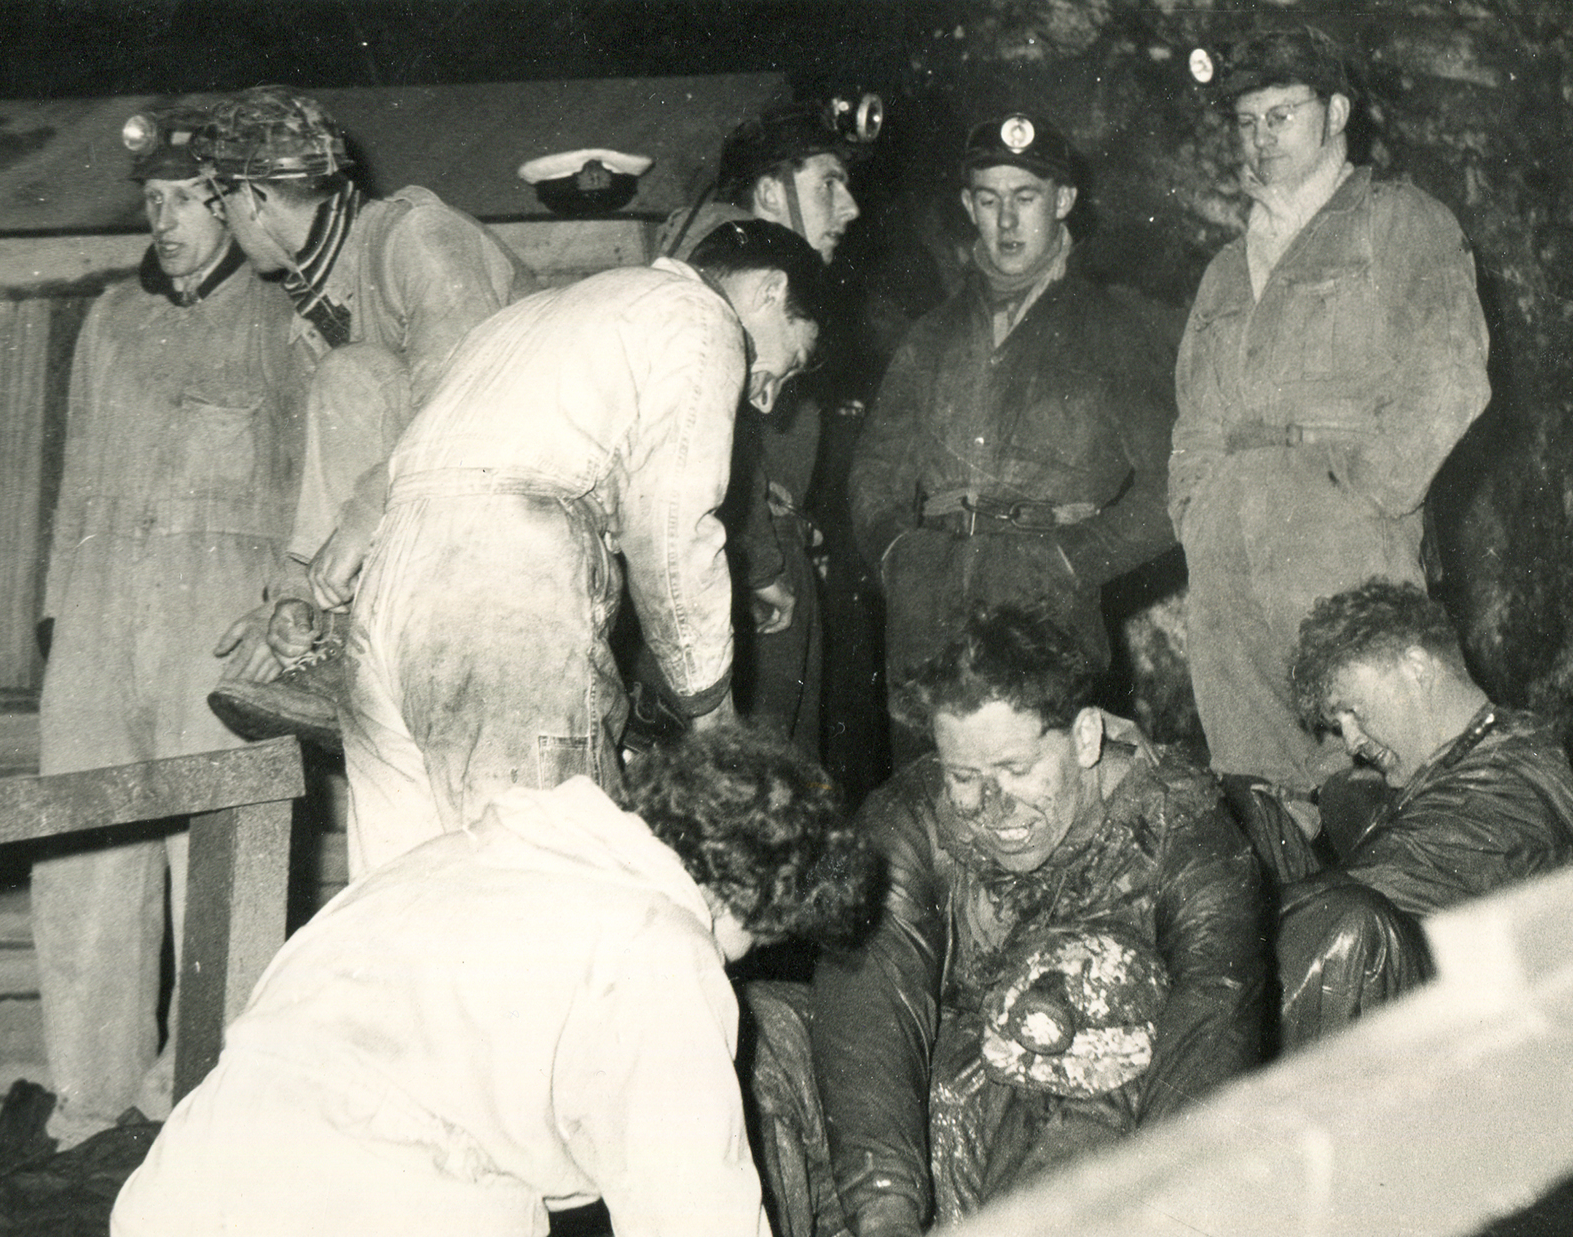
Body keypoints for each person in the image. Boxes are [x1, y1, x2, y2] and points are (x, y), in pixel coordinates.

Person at [111, 727, 876, 1237]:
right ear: (737, 899)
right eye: (752, 940)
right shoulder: (659, 941)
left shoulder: (448, 861)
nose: (738, 959)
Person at [339, 218, 828, 880]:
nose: (767, 396)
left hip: (385, 600)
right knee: (544, 896)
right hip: (503, 593)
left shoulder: (540, 316)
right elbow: (669, 522)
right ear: (772, 290)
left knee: (401, 899)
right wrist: (713, 717)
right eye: (786, 360)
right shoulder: (697, 317)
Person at [779, 604, 1265, 1237]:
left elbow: (1213, 1018)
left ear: (1086, 737)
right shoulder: (911, 818)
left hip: (1102, 1126)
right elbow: (869, 1001)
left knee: (1080, 991)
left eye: (1017, 768)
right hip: (939, 1105)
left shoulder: (1186, 831)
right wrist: (889, 1225)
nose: (991, 806)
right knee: (766, 1031)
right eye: (966, 778)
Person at [30, 109, 309, 1149]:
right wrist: (60, 617)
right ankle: (89, 1104)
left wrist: (289, 618)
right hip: (102, 620)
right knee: (85, 865)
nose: (171, 223)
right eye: (155, 204)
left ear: (233, 204)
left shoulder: (283, 321)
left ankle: (201, 1099)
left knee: (223, 862)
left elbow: (307, 486)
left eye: (191, 201)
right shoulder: (108, 322)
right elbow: (74, 480)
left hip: (219, 621)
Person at [1169, 27, 1492, 870]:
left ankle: (1401, 968)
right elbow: (1194, 416)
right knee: (1256, 786)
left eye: (1281, 114)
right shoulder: (1223, 270)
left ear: (1337, 113)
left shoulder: (1397, 221)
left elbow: (1451, 373)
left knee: (1373, 772)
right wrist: (1195, 511)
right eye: (1246, 121)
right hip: (1230, 560)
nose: (1260, 137)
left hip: (1343, 538)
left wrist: (1366, 496)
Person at [847, 112, 1179, 757]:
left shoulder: (1114, 330)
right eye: (990, 200)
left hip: (1044, 610)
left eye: (1026, 198)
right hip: (928, 610)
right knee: (929, 815)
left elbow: (1177, 482)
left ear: (1064, 202)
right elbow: (874, 471)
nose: (1007, 221)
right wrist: (897, 555)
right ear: (968, 207)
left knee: (1042, 794)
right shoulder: (931, 336)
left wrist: (1070, 559)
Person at [194, 84, 529, 699]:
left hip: (523, 514)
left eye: (220, 201)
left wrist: (354, 528)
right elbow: (339, 478)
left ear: (254, 197)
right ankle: (339, 648)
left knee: (354, 374)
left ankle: (351, 649)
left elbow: (463, 414)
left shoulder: (419, 239)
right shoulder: (313, 311)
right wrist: (294, 602)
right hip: (447, 536)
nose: (222, 219)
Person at [1278, 581, 1573, 1049]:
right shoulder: (1478, 757)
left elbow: (1355, 903)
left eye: (1353, 711)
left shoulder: (1504, 781)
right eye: (1340, 727)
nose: (1352, 741)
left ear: (1416, 667)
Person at [655, 96, 875, 754]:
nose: (851, 208)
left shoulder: (736, 275)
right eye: (828, 183)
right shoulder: (725, 294)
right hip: (747, 566)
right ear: (771, 193)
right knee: (767, 779)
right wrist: (764, 556)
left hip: (759, 555)